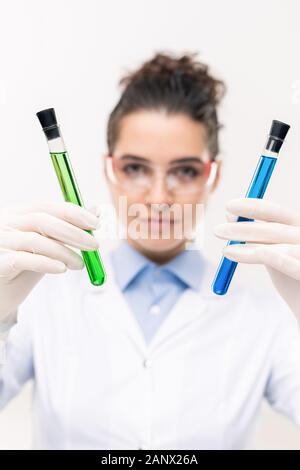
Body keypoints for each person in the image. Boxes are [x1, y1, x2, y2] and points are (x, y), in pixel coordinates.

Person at [0, 52, 299, 450]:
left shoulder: (266, 320)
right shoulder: (40, 304)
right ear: (110, 169)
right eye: (136, 168)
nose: (159, 197)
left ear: (215, 175)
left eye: (185, 171)